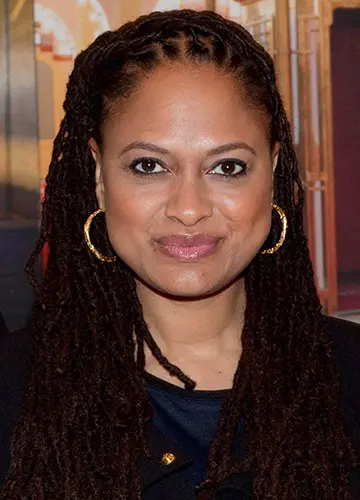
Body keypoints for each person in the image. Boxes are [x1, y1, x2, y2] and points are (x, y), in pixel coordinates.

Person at [0, 8, 359, 500]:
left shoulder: (350, 375)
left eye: (228, 167)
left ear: (273, 173)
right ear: (100, 178)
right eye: (149, 165)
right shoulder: (15, 389)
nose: (189, 209)